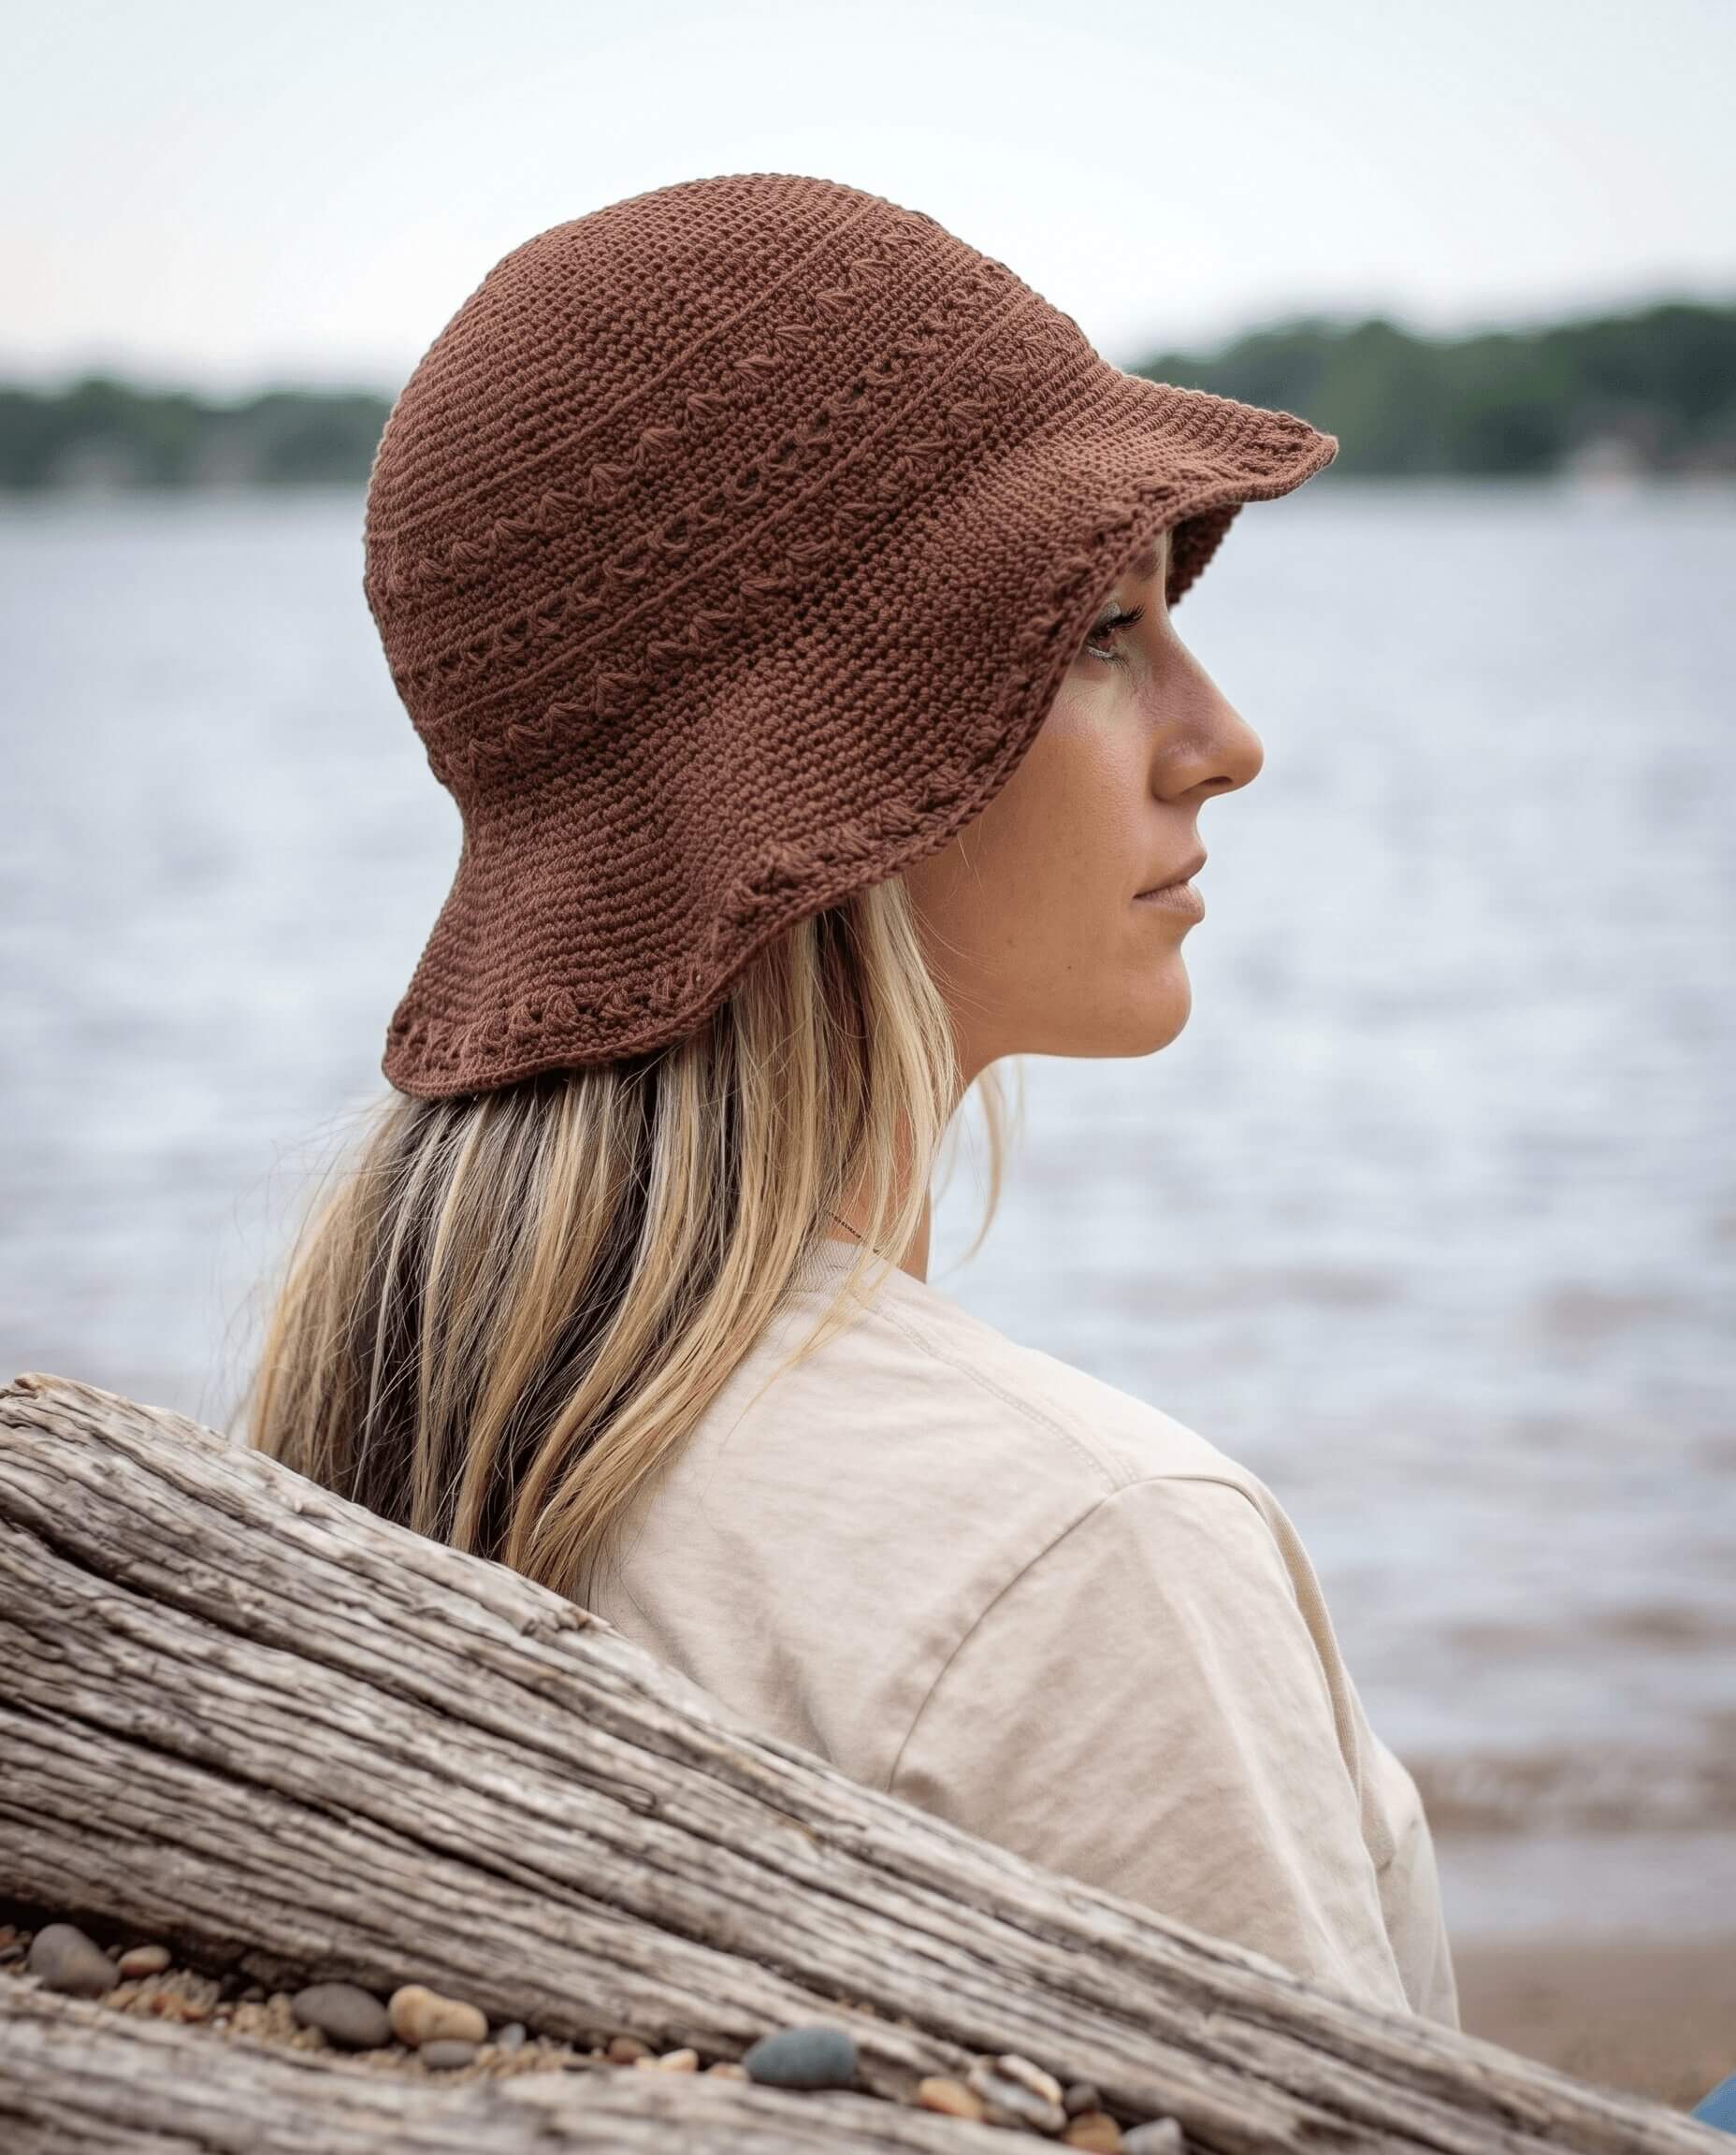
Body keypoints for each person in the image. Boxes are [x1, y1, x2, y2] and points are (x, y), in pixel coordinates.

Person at [239, 171, 1458, 2029]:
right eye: (1093, 633)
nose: (1222, 741)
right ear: (832, 779)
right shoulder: (1085, 1557)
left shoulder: (391, 1412)